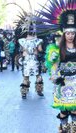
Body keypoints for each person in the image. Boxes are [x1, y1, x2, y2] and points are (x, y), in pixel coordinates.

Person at [39, 0, 76, 132]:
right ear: (64, 34)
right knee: (64, 110)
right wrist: (55, 77)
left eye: (73, 33)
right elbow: (53, 66)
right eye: (68, 33)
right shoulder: (56, 49)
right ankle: (64, 128)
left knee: (75, 111)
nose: (70, 36)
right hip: (63, 82)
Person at [19, 31, 44, 99]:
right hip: (35, 60)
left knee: (26, 77)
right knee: (38, 75)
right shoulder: (38, 41)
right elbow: (40, 49)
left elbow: (21, 50)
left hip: (26, 60)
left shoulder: (22, 41)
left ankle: (24, 93)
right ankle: (39, 91)